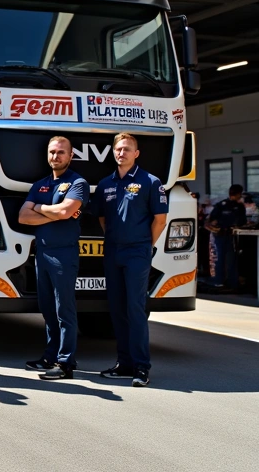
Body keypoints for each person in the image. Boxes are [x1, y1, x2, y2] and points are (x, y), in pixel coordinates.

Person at [91, 132, 167, 388]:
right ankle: (123, 364)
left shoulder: (151, 182)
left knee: (135, 309)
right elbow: (102, 218)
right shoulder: (105, 184)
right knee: (117, 310)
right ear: (113, 153)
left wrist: (145, 245)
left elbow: (160, 220)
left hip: (137, 253)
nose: (121, 153)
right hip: (113, 252)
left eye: (127, 149)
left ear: (136, 154)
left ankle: (141, 367)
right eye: (118, 149)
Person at [18, 136, 87, 380]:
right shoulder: (40, 184)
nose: (55, 156)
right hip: (42, 253)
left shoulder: (78, 183)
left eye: (60, 152)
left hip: (63, 253)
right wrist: (54, 213)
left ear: (70, 156)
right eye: (52, 152)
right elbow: (23, 217)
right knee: (47, 309)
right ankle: (50, 355)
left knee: (64, 309)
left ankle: (66, 362)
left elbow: (68, 211)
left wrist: (39, 208)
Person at [204, 184, 246, 292]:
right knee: (219, 259)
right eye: (239, 194)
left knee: (232, 260)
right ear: (237, 194)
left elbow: (242, 222)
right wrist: (214, 226)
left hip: (231, 235)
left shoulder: (239, 207)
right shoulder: (221, 205)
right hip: (219, 235)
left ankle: (232, 282)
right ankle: (218, 282)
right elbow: (210, 221)